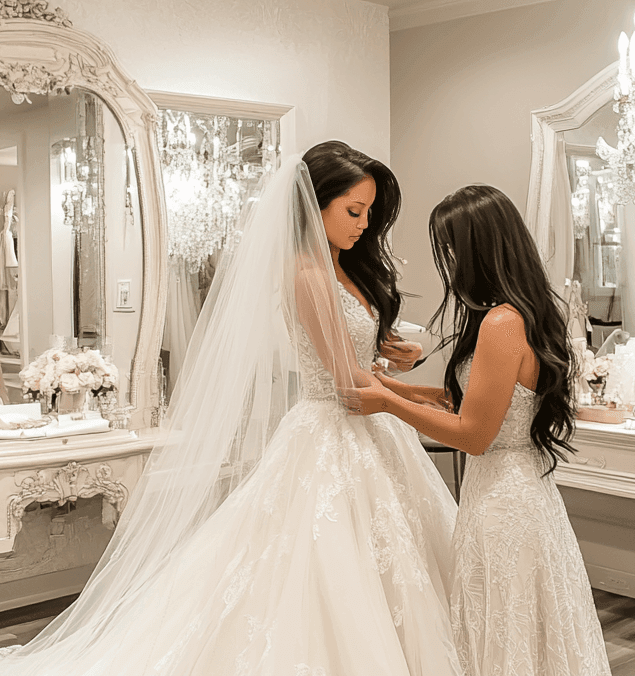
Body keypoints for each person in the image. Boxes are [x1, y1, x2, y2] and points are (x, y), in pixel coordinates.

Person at [0, 142, 461, 675]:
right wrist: (429, 398)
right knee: (320, 562)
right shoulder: (307, 274)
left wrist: (404, 369)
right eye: (354, 211)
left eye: (370, 214)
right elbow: (345, 384)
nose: (364, 225)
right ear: (315, 205)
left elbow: (363, 366)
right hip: (333, 429)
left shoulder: (343, 271)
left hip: (371, 429)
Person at [341, 184, 612, 675]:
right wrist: (400, 388)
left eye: (449, 249)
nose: (446, 261)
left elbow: (474, 435)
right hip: (521, 492)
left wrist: (385, 402)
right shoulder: (521, 312)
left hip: (504, 504)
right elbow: (478, 408)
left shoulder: (501, 324)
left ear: (477, 250)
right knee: (528, 633)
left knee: (505, 634)